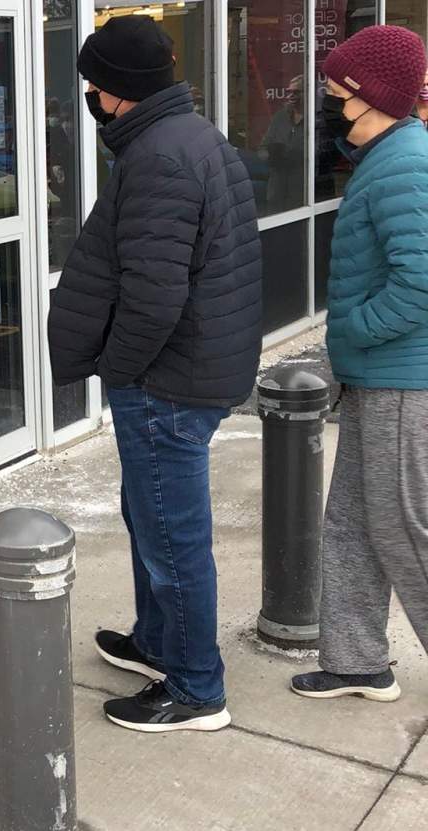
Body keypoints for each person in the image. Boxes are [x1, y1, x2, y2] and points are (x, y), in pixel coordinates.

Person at [47, 16, 262, 733]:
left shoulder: (160, 157)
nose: (87, 93)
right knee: (150, 517)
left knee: (172, 536)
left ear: (118, 89)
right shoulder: (189, 136)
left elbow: (155, 293)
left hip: (167, 380)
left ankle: (198, 688)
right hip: (185, 369)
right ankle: (158, 644)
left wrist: (120, 369)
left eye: (92, 82)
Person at [289, 26, 428, 704]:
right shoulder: (383, 154)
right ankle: (356, 659)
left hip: (403, 379)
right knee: (350, 522)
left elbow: (421, 281)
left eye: (336, 89)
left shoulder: (408, 161)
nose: (327, 98)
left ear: (368, 94)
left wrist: (354, 333)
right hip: (376, 376)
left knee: (405, 528)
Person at [261, 75, 306, 213]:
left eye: (296, 92)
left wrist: (294, 156)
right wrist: (270, 156)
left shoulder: (316, 118)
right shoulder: (280, 117)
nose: (291, 96)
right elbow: (262, 147)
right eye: (289, 92)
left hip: (304, 194)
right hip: (277, 190)